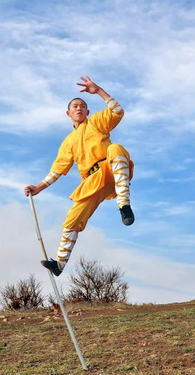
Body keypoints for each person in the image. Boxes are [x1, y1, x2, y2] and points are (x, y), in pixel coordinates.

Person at [24, 76, 134, 276]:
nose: (79, 108)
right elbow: (57, 170)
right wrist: (38, 188)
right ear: (68, 113)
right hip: (92, 181)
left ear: (88, 111)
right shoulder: (68, 142)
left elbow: (117, 111)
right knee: (72, 219)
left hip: (112, 168)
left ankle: (124, 205)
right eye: (75, 106)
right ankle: (59, 264)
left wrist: (99, 90)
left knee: (116, 148)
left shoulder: (96, 123)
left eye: (83, 106)